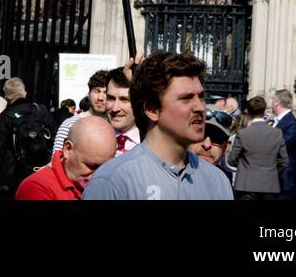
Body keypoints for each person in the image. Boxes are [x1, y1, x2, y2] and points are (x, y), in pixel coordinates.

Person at [82, 50, 233, 201]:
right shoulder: (113, 181)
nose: (200, 107)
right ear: (152, 109)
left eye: (201, 97)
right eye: (186, 98)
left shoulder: (218, 181)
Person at [16, 116, 115, 199]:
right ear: (68, 149)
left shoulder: (109, 181)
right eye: (92, 166)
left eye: (106, 167)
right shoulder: (35, 188)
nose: (98, 174)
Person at [0, 77, 54, 201]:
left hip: (13, 175)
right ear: (24, 93)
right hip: (42, 171)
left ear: (7, 97)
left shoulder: (6, 117)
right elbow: (55, 137)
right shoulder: (41, 110)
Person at [227, 96, 287, 200]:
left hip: (246, 184)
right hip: (269, 185)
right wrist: (271, 171)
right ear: (264, 111)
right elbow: (284, 161)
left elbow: (232, 159)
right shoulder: (277, 133)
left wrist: (245, 166)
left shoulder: (243, 133)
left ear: (249, 112)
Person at [53, 70, 108, 152]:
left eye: (106, 93)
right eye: (97, 91)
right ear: (89, 94)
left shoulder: (116, 126)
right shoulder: (70, 124)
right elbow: (56, 159)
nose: (100, 98)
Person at [271, 88, 296, 200]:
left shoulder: (290, 123)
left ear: (277, 102)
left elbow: (282, 147)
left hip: (285, 177)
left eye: (272, 101)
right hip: (276, 177)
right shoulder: (279, 121)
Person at [106, 67, 140, 155]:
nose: (115, 108)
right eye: (111, 98)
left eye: (124, 100)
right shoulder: (93, 139)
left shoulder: (153, 146)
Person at [189, 115, 233, 182]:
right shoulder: (169, 176)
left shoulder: (225, 181)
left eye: (216, 138)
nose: (207, 145)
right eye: (200, 136)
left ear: (226, 147)